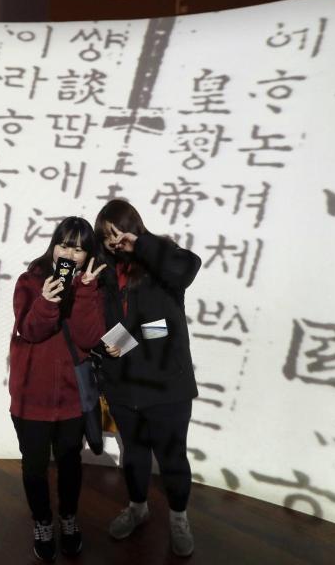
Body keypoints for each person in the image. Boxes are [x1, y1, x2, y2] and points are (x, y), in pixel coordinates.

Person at [93, 199, 202, 557]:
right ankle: (138, 508)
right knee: (134, 457)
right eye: (105, 236)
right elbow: (112, 327)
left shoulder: (161, 258)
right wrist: (114, 348)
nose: (113, 242)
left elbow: (165, 321)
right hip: (125, 388)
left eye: (118, 232)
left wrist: (141, 245)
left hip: (167, 386)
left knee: (172, 459)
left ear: (134, 226)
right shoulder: (106, 274)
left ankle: (178, 518)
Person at [8, 216, 106, 563]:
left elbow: (88, 338)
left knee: (69, 463)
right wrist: (47, 301)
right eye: (64, 244)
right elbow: (29, 331)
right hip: (30, 398)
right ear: (53, 245)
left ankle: (68, 518)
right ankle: (42, 524)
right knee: (34, 467)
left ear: (87, 254)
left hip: (70, 399)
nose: (69, 253)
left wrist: (86, 291)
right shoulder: (30, 281)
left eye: (78, 248)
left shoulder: (91, 285)